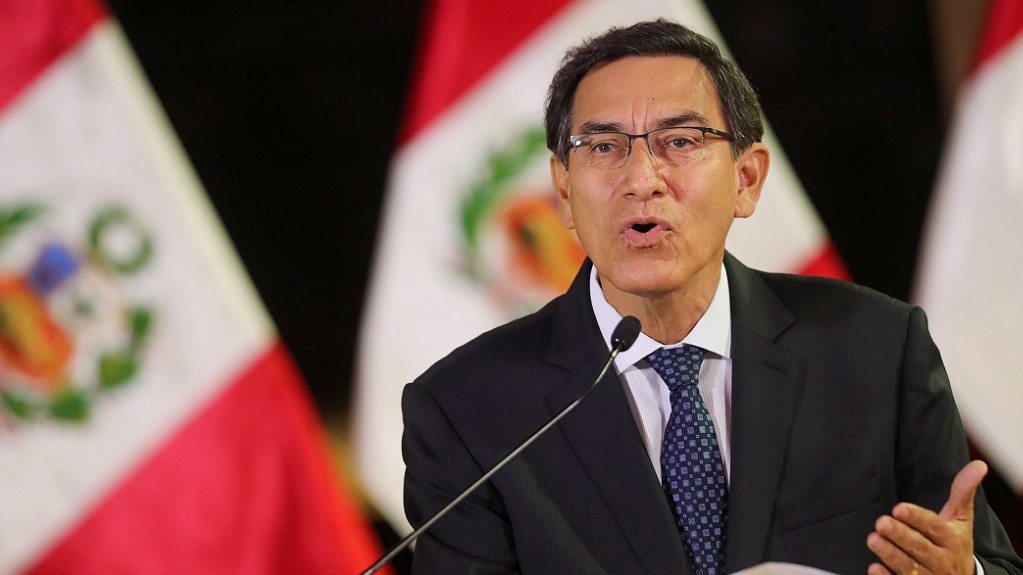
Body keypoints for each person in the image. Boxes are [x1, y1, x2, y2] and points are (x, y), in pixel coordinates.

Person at [401, 19, 1023, 575]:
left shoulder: (875, 350)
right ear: (563, 192)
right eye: (603, 147)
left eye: (680, 141)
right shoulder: (466, 408)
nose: (641, 179)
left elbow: (985, 560)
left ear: (746, 179)